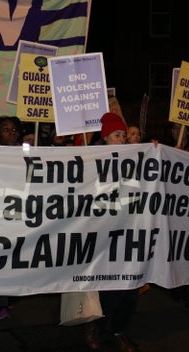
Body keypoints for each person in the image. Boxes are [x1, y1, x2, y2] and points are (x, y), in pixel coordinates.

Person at [84, 112, 139, 352]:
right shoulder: (90, 159)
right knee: (107, 285)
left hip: (129, 229)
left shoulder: (134, 158)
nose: (122, 140)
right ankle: (98, 325)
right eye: (117, 135)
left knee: (131, 285)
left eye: (125, 136)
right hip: (102, 232)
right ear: (105, 136)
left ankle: (118, 330)